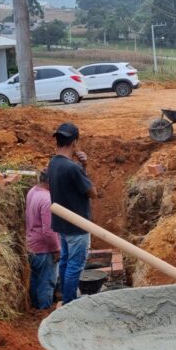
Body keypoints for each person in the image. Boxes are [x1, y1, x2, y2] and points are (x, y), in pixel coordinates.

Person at [48, 122, 99, 305]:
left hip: (62, 225)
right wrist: (83, 167)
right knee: (75, 266)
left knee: (65, 262)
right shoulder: (72, 168)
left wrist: (82, 166)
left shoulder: (53, 163)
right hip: (77, 226)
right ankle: (70, 302)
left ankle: (66, 298)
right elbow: (92, 193)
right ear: (75, 143)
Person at [25, 168, 60, 309]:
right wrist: (56, 249)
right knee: (47, 282)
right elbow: (49, 231)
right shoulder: (47, 200)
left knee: (35, 280)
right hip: (44, 249)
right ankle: (44, 311)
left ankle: (35, 308)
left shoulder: (33, 191)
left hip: (32, 245)